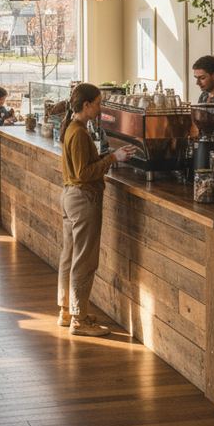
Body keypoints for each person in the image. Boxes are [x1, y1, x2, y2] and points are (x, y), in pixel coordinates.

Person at [57, 83, 135, 337]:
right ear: (87, 104)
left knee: (69, 255)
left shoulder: (72, 127)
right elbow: (84, 173)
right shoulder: (79, 133)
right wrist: (114, 158)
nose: (101, 108)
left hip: (71, 197)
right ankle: (79, 319)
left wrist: (107, 156)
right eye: (99, 103)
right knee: (85, 259)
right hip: (83, 198)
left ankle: (67, 310)